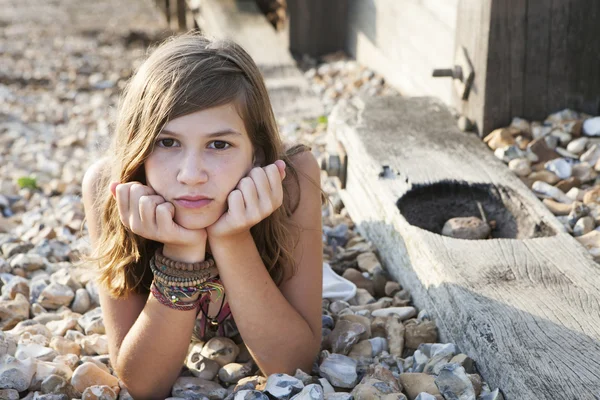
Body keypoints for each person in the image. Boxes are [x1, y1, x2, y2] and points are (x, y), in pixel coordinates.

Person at [81, 32, 324, 399]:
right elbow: (144, 383)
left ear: (256, 153)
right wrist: (181, 253)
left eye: (219, 144)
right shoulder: (108, 187)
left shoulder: (293, 179)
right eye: (167, 142)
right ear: (138, 145)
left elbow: (291, 365)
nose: (191, 174)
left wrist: (231, 238)